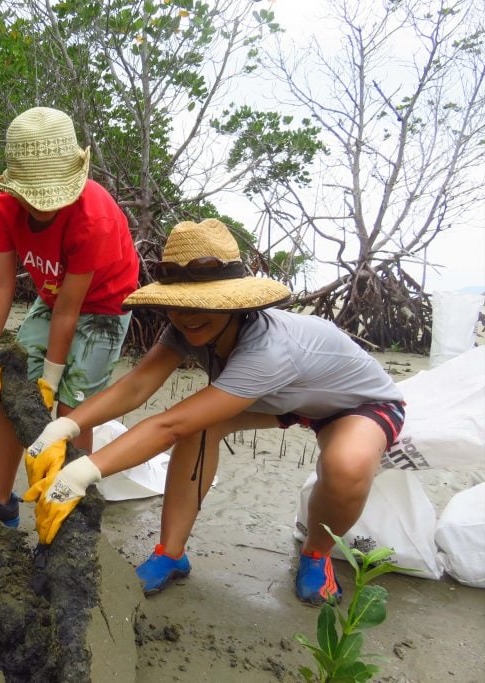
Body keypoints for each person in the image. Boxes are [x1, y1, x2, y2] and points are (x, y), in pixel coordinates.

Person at [24, 218, 405, 605]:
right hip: (285, 401)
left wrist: (80, 473)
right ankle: (171, 554)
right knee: (199, 429)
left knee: (346, 465)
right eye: (178, 304)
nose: (188, 315)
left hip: (356, 406)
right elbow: (137, 386)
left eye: (203, 303)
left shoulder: (268, 350)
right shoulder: (186, 330)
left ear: (235, 303)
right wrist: (65, 426)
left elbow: (169, 424)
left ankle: (316, 554)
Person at [0, 106, 139, 528]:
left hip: (104, 304)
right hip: (53, 296)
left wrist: (51, 376)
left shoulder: (92, 217)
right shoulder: (6, 205)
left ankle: (71, 510)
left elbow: (72, 310)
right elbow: (0, 281)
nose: (44, 208)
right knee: (16, 384)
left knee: (72, 406)